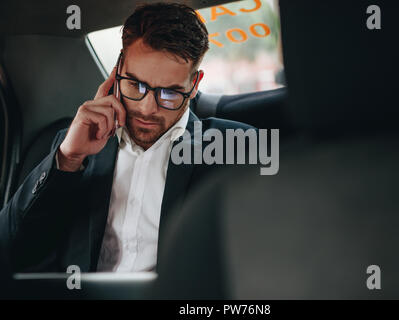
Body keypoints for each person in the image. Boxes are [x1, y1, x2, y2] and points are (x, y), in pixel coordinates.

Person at [0, 2, 253, 273]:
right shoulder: (75, 147)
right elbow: (9, 247)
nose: (147, 108)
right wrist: (68, 158)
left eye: (169, 93)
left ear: (194, 84)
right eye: (136, 84)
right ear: (117, 70)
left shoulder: (236, 148)